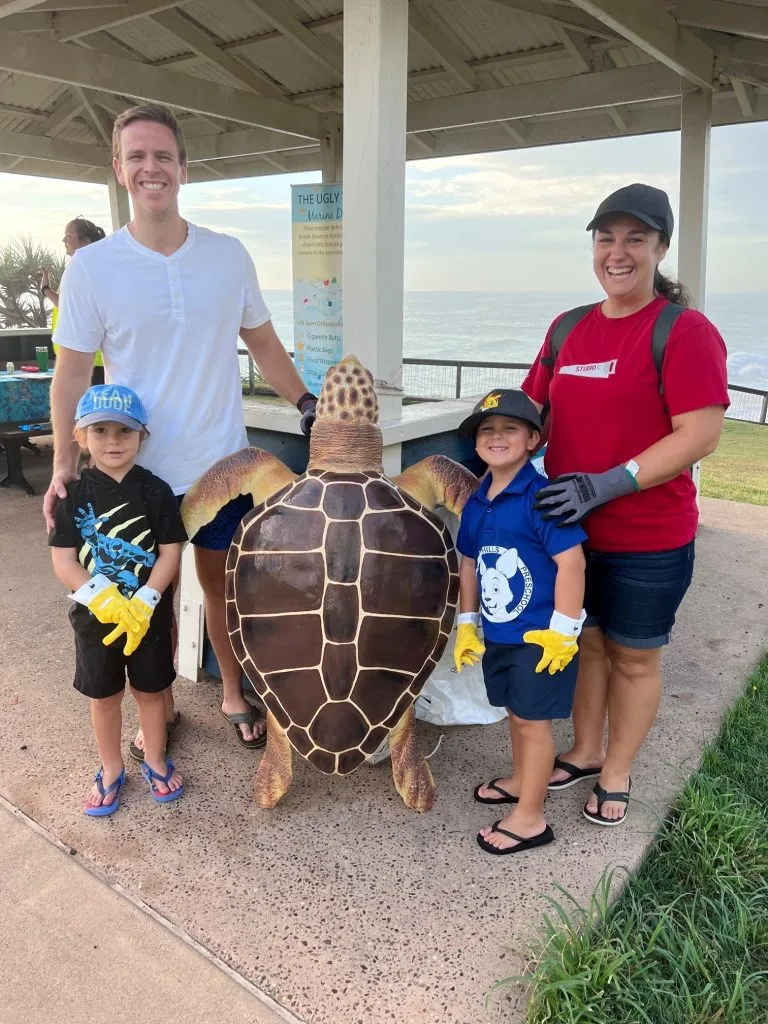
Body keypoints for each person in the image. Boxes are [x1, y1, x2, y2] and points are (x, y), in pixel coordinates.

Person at [44, 103, 318, 759]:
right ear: (119, 170)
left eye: (162, 155)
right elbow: (71, 373)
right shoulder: (92, 267)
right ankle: (156, 713)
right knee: (149, 602)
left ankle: (231, 692)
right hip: (131, 473)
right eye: (136, 156)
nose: (150, 167)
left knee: (224, 591)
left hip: (220, 467)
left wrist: (308, 402)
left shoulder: (227, 256)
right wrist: (61, 462)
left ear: (183, 168)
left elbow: (265, 345)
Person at [522, 183, 729, 826]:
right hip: (568, 534)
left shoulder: (684, 331)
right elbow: (531, 414)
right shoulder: (566, 329)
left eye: (635, 239)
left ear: (660, 248)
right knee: (584, 646)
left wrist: (609, 482)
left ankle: (617, 770)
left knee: (635, 656)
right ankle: (585, 750)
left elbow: (701, 432)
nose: (619, 252)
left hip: (649, 534)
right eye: (606, 238)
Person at [452, 389, 587, 854]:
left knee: (534, 724)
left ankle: (530, 818)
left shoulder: (544, 496)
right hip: (499, 633)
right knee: (515, 714)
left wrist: (564, 632)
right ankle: (520, 780)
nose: (497, 437)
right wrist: (469, 621)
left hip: (541, 637)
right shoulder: (476, 500)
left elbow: (572, 564)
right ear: (475, 444)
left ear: (533, 439)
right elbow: (469, 562)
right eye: (486, 430)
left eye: (510, 428)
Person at [49, 384, 187, 815]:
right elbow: (63, 561)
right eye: (101, 430)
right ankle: (110, 767)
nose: (113, 441)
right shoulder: (71, 496)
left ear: (141, 436)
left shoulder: (156, 490)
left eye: (124, 432)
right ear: (80, 436)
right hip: (96, 622)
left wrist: (147, 597)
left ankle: (155, 759)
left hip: (148, 620)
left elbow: (170, 551)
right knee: (104, 698)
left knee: (151, 692)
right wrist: (98, 596)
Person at [40, 217, 107, 385]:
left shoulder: (84, 267)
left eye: (68, 235)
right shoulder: (93, 265)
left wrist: (46, 289)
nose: (64, 240)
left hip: (88, 358)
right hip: (88, 357)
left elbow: (67, 305)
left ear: (84, 241)